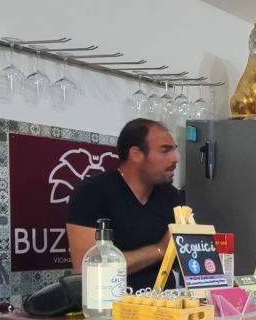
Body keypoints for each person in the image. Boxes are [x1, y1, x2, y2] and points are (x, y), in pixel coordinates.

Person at [67, 118, 181, 291]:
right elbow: (87, 268)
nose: (175, 158)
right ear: (136, 154)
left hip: (165, 302)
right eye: (165, 151)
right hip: (111, 303)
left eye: (174, 150)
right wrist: (159, 249)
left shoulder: (171, 196)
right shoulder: (92, 192)